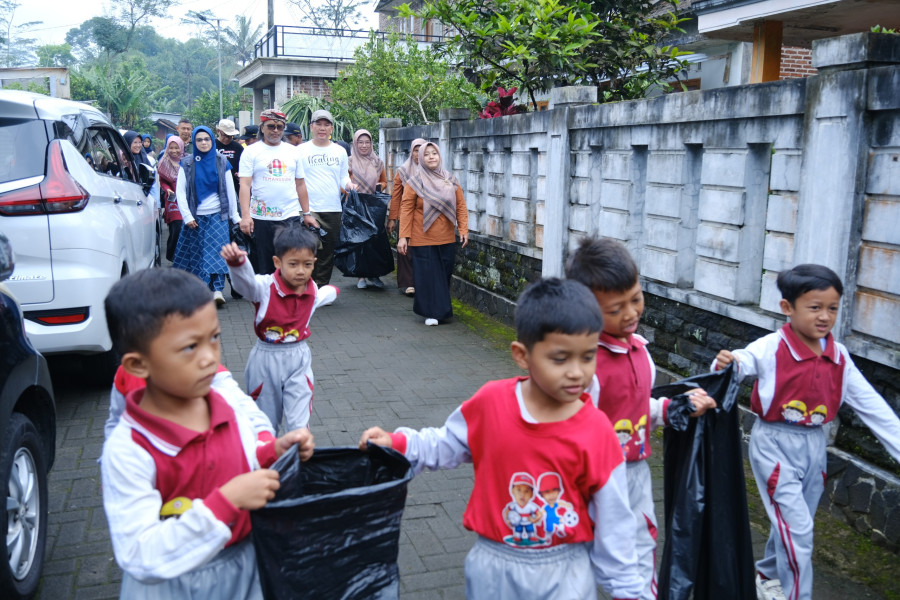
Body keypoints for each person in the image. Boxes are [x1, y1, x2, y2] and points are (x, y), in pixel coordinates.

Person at [359, 278, 643, 599]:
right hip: (494, 567)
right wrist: (398, 444)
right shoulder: (491, 403)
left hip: (567, 572)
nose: (577, 372)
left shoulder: (598, 431)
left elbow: (615, 524)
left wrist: (631, 592)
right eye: (560, 359)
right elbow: (444, 444)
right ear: (522, 355)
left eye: (588, 356)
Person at [100, 267, 314, 599]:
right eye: (189, 347)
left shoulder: (223, 406)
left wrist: (272, 452)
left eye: (213, 338)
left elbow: (243, 455)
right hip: (175, 585)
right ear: (138, 366)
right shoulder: (129, 450)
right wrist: (226, 503)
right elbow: (140, 553)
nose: (209, 358)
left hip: (247, 568)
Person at [713, 264, 900, 600]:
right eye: (814, 307)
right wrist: (726, 364)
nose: (824, 317)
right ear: (788, 308)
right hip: (774, 445)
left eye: (832, 308)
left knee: (793, 521)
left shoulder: (838, 356)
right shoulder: (771, 347)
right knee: (798, 529)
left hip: (815, 447)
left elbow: (872, 407)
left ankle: (767, 574)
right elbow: (740, 363)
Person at [565, 237, 715, 600]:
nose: (631, 313)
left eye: (636, 299)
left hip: (636, 472)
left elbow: (636, 407)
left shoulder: (640, 352)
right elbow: (576, 429)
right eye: (616, 309)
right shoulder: (588, 366)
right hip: (596, 480)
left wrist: (673, 408)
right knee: (593, 556)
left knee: (643, 545)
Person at [221, 226, 338, 432]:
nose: (300, 271)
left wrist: (334, 291)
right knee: (265, 422)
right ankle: (267, 458)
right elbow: (246, 285)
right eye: (293, 264)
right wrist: (238, 265)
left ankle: (297, 457)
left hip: (299, 358)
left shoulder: (312, 291)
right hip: (266, 359)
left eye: (307, 264)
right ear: (278, 262)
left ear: (314, 264)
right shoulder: (265, 288)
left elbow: (323, 295)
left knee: (299, 423)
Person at [238, 109, 317, 276]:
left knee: (289, 263)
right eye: (271, 126)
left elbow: (300, 184)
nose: (275, 130)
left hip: (289, 217)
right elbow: (244, 184)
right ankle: (267, 300)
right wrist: (246, 216)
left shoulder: (293, 151)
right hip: (261, 218)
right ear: (262, 127)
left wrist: (307, 213)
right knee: (265, 266)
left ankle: (287, 300)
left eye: (280, 127)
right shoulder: (251, 151)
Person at [398, 142, 468, 326]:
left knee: (444, 273)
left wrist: (463, 229)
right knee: (427, 275)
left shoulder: (451, 180)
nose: (431, 157)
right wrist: (403, 236)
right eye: (426, 154)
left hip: (445, 236)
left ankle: (441, 310)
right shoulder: (414, 182)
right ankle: (430, 312)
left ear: (439, 156)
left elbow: (460, 205)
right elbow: (406, 209)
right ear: (421, 158)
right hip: (421, 237)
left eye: (434, 153)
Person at [173, 126, 240, 305]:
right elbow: (180, 192)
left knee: (218, 253)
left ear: (212, 140)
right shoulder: (187, 163)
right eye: (199, 140)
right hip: (195, 218)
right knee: (198, 255)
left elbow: (230, 191)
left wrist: (235, 216)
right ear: (194, 142)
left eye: (207, 139)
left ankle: (217, 290)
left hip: (218, 216)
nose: (203, 143)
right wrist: (187, 217)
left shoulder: (221, 161)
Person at [300, 109, 356, 288]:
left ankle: (322, 286)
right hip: (309, 209)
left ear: (331, 128)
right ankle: (307, 285)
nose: (322, 128)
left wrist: (349, 185)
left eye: (326, 124)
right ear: (311, 127)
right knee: (309, 249)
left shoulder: (339, 151)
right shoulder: (301, 150)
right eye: (318, 124)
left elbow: (343, 177)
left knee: (327, 252)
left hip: (333, 208)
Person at [348, 128, 388, 290]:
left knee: (375, 240)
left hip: (373, 206)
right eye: (360, 142)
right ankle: (361, 276)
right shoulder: (349, 161)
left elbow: (384, 181)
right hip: (355, 205)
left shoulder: (377, 162)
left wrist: (379, 186)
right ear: (355, 143)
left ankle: (374, 274)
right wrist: (350, 189)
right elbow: (343, 183)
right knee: (359, 241)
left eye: (367, 142)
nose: (364, 145)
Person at [387, 138, 426, 297]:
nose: (418, 154)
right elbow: (396, 196)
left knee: (423, 249)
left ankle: (421, 282)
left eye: (421, 150)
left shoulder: (433, 169)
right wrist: (392, 219)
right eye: (416, 150)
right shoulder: (403, 171)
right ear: (412, 152)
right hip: (406, 214)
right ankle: (408, 283)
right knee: (406, 249)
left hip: (425, 216)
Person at [157, 135, 185, 262]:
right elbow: (162, 180)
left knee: (186, 226)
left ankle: (184, 256)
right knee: (177, 225)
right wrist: (166, 188)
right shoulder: (164, 161)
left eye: (176, 148)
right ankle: (172, 255)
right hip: (172, 198)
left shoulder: (186, 160)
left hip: (186, 196)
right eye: (171, 148)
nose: (174, 151)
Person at [216, 119, 244, 195]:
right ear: (218, 131)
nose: (227, 139)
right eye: (225, 135)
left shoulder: (238, 147)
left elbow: (243, 164)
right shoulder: (212, 145)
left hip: (234, 185)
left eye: (230, 136)